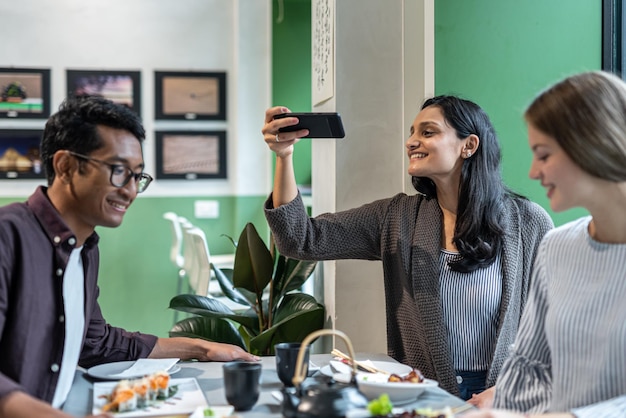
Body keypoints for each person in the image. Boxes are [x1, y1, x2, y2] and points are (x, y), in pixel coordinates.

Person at [261, 96, 554, 402]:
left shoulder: (529, 223)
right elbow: (300, 239)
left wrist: (505, 391)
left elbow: (555, 327)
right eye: (412, 133)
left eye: (427, 132)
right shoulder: (396, 218)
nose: (411, 142)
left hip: (507, 397)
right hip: (422, 398)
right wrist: (284, 156)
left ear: (469, 145)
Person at [0, 95, 259, 418]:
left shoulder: (84, 250)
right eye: (119, 170)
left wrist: (202, 348)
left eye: (138, 176)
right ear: (65, 166)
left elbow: (98, 343)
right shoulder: (8, 236)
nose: (131, 190)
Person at [464, 71, 626, 418]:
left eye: (543, 154)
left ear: (592, 144)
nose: (533, 173)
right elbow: (530, 367)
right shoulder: (557, 247)